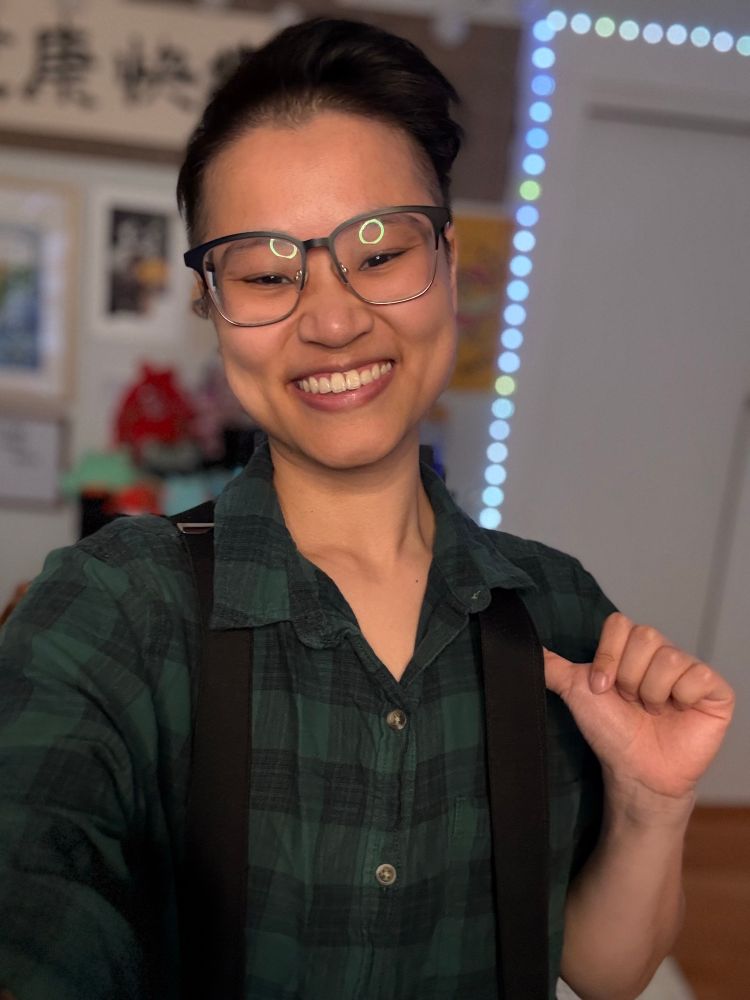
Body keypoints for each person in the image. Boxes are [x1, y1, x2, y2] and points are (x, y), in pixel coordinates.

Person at [0, 17, 734, 1000]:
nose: (334, 317)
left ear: (448, 265)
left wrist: (653, 804)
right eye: (267, 273)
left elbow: (604, 969)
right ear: (213, 307)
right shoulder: (110, 612)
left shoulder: (557, 610)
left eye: (380, 251)